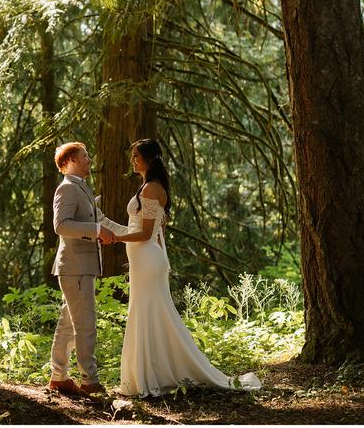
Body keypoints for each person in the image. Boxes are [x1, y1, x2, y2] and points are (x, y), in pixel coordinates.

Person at [112, 138, 261, 397]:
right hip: (145, 261)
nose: (132, 160)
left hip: (147, 261)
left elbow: (146, 234)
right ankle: (149, 373)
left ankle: (150, 375)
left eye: (136, 155)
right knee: (147, 313)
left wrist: (115, 236)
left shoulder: (150, 189)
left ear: (147, 159)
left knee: (148, 311)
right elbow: (158, 231)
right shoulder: (148, 187)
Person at [47, 142, 128, 396]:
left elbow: (101, 221)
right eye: (85, 156)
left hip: (79, 268)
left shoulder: (81, 188)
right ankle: (90, 382)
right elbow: (61, 225)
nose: (89, 159)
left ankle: (58, 377)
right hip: (75, 268)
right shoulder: (67, 189)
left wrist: (135, 235)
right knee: (85, 325)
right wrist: (95, 232)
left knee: (68, 324)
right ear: (70, 160)